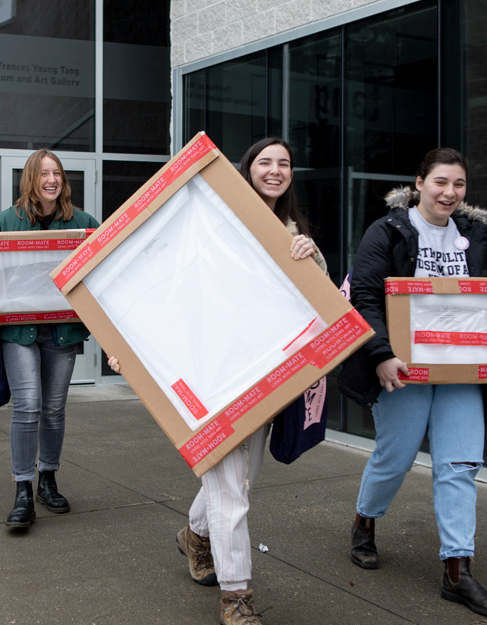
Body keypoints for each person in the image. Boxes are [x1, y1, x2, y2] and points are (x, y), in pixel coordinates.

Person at [109, 137, 327, 625]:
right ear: (246, 169)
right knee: (230, 493)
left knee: (238, 486)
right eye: (265, 162)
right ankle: (237, 598)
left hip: (269, 379)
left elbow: (320, 305)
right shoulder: (210, 219)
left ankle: (195, 535)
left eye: (284, 163)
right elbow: (161, 283)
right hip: (210, 374)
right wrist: (125, 343)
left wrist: (313, 258)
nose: (275, 171)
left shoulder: (293, 231)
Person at [338, 147, 487, 619]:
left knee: (459, 465)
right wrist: (380, 355)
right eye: (440, 182)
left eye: (458, 184)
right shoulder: (388, 230)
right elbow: (364, 296)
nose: (449, 193)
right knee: (395, 457)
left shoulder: (476, 234)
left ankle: (457, 572)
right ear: (418, 183)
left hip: (463, 370)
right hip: (405, 367)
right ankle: (365, 521)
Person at [0, 149, 99, 530]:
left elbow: (102, 268)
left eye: (57, 173)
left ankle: (48, 478)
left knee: (54, 409)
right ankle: (23, 490)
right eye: (44, 173)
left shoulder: (83, 223)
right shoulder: (6, 221)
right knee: (28, 406)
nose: (52, 179)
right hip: (19, 331)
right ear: (31, 178)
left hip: (62, 331)